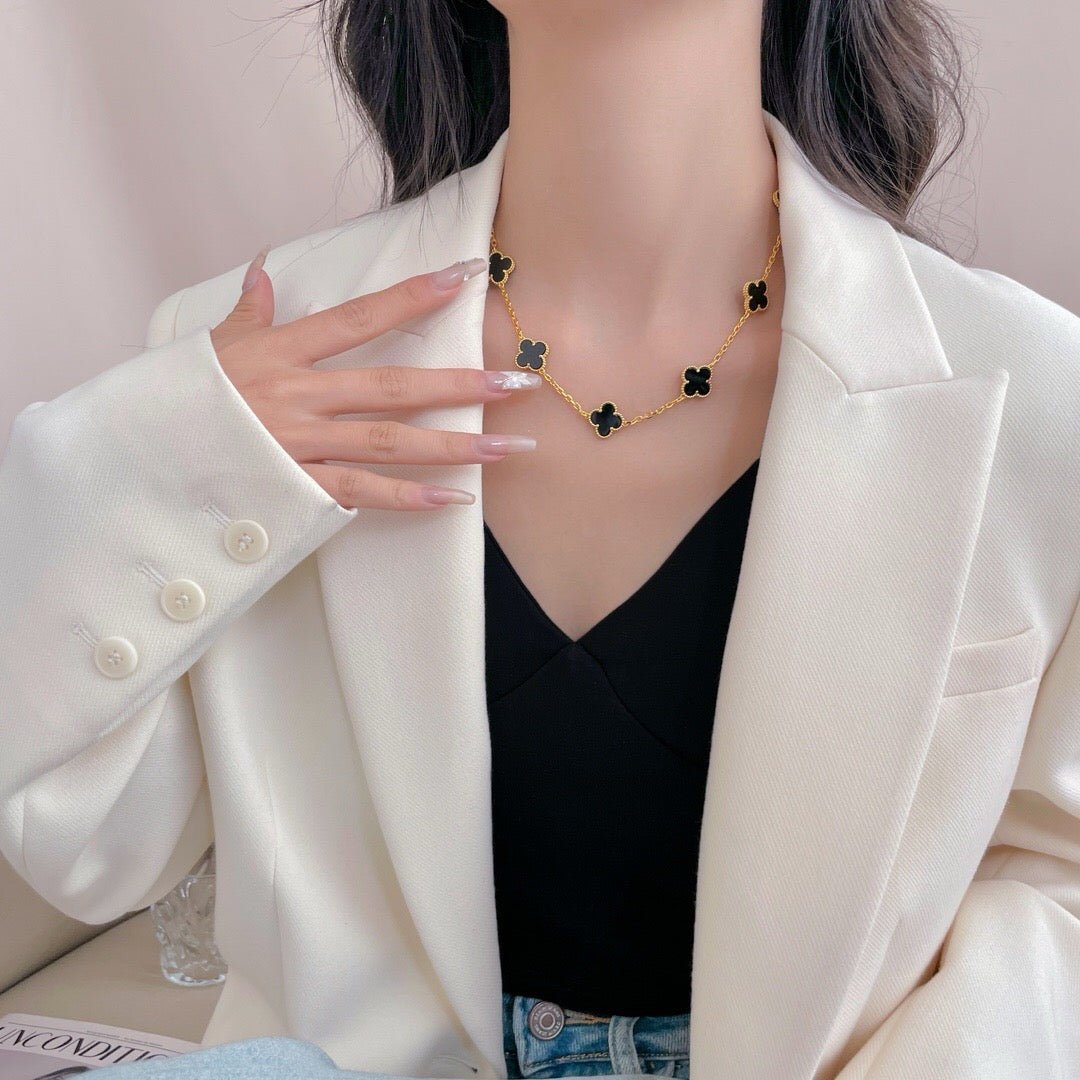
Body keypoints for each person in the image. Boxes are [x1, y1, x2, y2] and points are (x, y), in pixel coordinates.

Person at [2, 0, 1079, 1078]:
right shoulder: (258, 360)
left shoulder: (1032, 393)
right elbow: (90, 848)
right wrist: (162, 451)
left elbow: (1057, 885)